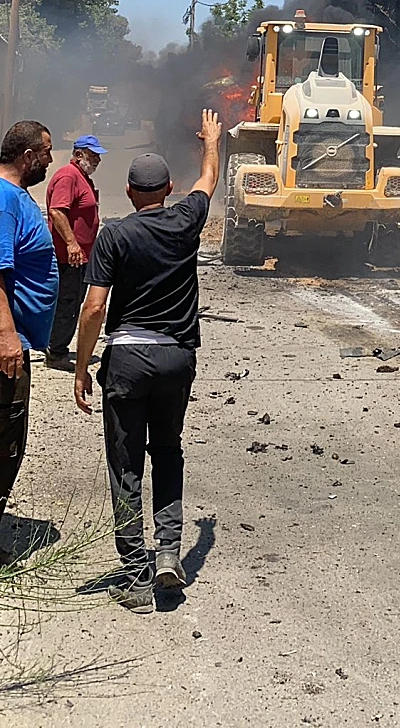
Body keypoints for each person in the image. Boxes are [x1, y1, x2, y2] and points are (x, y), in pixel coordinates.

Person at [74, 109, 221, 613]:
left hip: (128, 361)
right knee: (168, 450)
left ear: (130, 192)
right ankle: (169, 552)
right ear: (169, 189)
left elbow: (94, 308)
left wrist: (81, 368)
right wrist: (211, 140)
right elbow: (208, 180)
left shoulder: (115, 235)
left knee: (126, 463)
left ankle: (136, 576)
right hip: (177, 358)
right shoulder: (186, 220)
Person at [0, 121, 58, 537]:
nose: (50, 160)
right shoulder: (5, 200)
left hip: (16, 340)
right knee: (5, 443)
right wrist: (6, 337)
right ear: (28, 156)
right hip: (6, 346)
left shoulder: (15, 196)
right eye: (47, 152)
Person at [45, 135, 107, 371]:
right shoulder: (68, 176)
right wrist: (72, 243)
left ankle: (54, 345)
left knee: (72, 301)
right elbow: (57, 211)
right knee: (68, 305)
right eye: (93, 155)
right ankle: (56, 353)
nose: (98, 160)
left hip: (80, 257)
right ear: (79, 154)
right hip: (68, 257)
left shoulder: (82, 177)